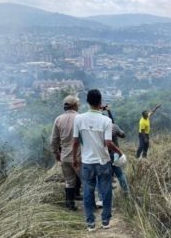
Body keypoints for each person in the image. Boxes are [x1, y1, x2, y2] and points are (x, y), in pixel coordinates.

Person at [73, 89, 124, 231]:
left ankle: (90, 223)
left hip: (87, 162)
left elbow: (76, 141)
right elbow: (108, 143)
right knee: (106, 190)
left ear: (87, 102)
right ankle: (105, 221)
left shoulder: (78, 119)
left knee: (88, 191)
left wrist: (74, 158)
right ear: (100, 102)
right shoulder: (106, 120)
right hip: (103, 161)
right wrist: (120, 152)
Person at [50, 95, 82, 211]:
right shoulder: (80, 118)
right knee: (86, 180)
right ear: (75, 105)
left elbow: (54, 139)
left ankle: (70, 204)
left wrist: (56, 153)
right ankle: (91, 204)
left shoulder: (58, 119)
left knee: (69, 181)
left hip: (64, 155)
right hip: (79, 155)